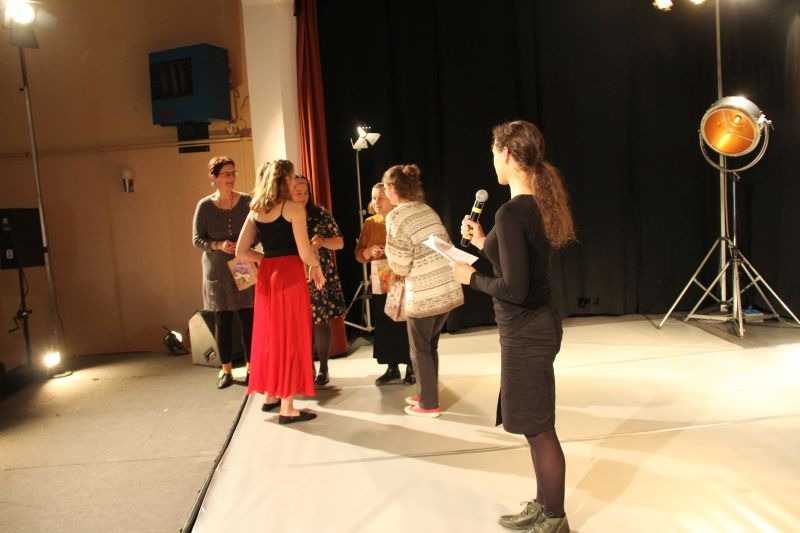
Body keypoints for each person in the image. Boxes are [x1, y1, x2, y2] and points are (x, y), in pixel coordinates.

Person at [452, 121, 576, 533]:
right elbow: (517, 267)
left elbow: (514, 288)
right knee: (533, 426)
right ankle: (543, 505)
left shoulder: (512, 212)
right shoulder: (533, 205)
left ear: (506, 153)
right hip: (534, 327)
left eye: (493, 153)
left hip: (527, 332)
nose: (493, 161)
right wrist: (481, 242)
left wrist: (470, 278)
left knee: (539, 429)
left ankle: (555, 518)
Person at [235, 160, 325, 424]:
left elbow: (241, 251)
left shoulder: (255, 210)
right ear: (285, 179)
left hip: (268, 276)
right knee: (291, 336)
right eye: (292, 176)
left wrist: (266, 259)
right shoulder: (293, 209)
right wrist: (316, 265)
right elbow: (305, 253)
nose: (295, 181)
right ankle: (288, 408)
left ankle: (270, 396)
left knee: (272, 335)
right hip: (289, 275)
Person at [382, 164, 463, 417]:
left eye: (385, 187)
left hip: (425, 292)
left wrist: (391, 258)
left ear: (392, 188)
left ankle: (429, 404)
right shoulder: (426, 209)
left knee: (419, 349)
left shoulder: (395, 216)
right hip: (447, 287)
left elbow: (400, 264)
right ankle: (427, 393)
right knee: (429, 346)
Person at [192, 156, 255, 389]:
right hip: (217, 268)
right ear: (214, 178)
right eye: (226, 174)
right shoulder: (205, 206)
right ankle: (226, 370)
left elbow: (257, 230)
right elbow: (197, 239)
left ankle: (252, 368)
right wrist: (218, 245)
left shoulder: (246, 201)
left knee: (248, 317)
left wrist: (243, 245)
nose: (231, 178)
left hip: (241, 263)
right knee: (223, 320)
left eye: (233, 173)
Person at [354, 183, 414, 385]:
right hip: (381, 278)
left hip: (402, 276)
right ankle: (392, 367)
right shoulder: (370, 223)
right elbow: (359, 253)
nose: (376, 202)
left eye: (381, 198)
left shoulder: (402, 219)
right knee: (385, 321)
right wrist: (368, 251)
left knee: (404, 320)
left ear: (391, 198)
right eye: (373, 198)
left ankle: (412, 366)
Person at [290, 174, 346, 387]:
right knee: (299, 324)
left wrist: (322, 241)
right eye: (298, 192)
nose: (303, 196)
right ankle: (307, 367)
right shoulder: (284, 214)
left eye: (306, 192)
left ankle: (323, 367)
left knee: (320, 321)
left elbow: (340, 243)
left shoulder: (320, 213)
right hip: (295, 272)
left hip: (320, 273)